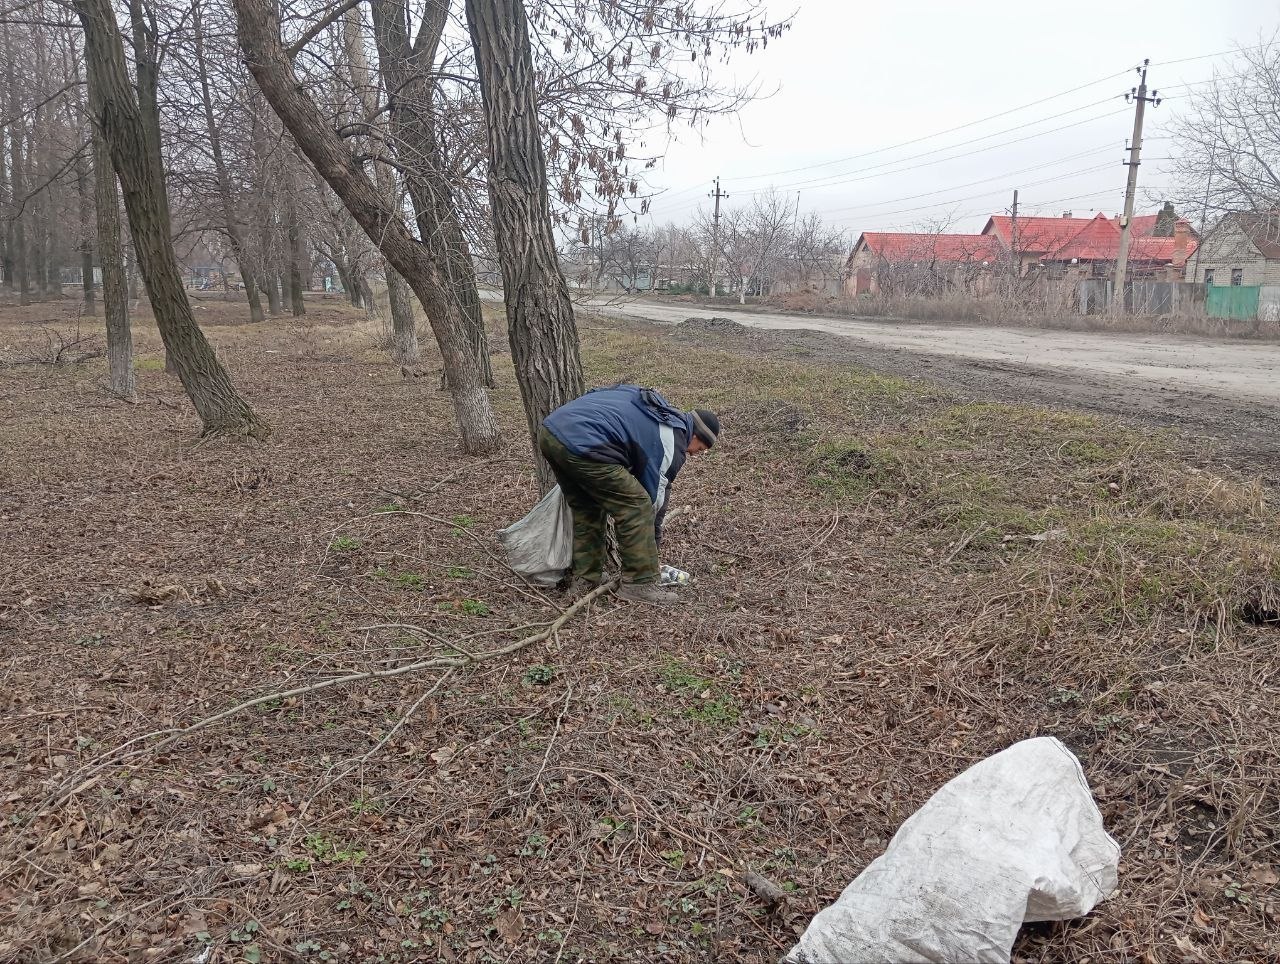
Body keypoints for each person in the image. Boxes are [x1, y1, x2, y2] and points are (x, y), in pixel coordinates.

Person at [538, 384, 720, 605]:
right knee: (637, 505)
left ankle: (586, 577)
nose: (694, 454)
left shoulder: (656, 411)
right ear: (696, 435)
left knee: (588, 507)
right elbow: (654, 500)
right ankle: (640, 584)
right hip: (585, 444)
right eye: (699, 449)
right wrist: (652, 544)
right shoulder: (674, 439)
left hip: (551, 433)